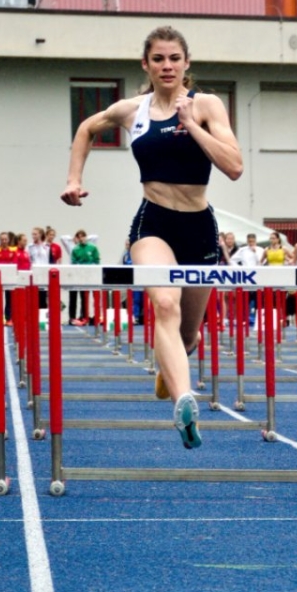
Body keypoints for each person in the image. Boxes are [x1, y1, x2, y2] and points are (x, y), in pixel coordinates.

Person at [63, 25, 241, 450]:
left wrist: (191, 127)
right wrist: (73, 179)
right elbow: (87, 129)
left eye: (174, 58)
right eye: (158, 59)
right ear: (146, 65)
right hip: (153, 222)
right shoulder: (132, 110)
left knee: (188, 336)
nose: (166, 66)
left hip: (199, 227)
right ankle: (184, 402)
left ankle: (171, 373)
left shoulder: (206, 105)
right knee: (164, 303)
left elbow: (234, 165)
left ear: (186, 64)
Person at [70, 230, 100, 321]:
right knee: (80, 296)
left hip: (91, 275)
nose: (81, 238)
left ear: (86, 237)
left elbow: (97, 261)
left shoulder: (92, 248)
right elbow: (74, 262)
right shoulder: (75, 249)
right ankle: (75, 317)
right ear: (77, 239)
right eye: (79, 237)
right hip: (79, 276)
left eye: (83, 236)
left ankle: (87, 316)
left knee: (88, 297)